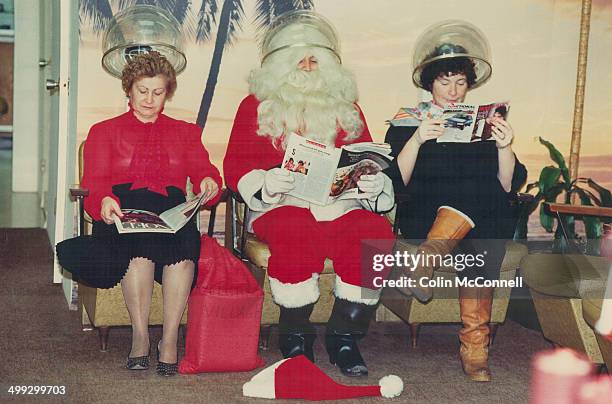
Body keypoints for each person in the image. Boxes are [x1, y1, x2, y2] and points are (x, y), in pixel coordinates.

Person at [223, 10, 395, 377]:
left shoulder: (348, 110)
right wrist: (265, 181)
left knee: (376, 236)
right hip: (282, 205)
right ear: (279, 66)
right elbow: (235, 167)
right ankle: (295, 337)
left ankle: (344, 338)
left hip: (341, 206)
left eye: (314, 60)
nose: (306, 67)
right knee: (296, 230)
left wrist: (374, 185)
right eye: (297, 60)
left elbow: (365, 159)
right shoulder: (254, 107)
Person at [57, 51, 222, 377]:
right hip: (123, 211)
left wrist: (209, 182)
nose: (149, 99)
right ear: (129, 90)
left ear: (167, 93)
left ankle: (170, 340)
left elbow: (204, 170)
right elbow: (96, 181)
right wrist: (104, 201)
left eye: (157, 92)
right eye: (142, 91)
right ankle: (141, 337)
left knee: (184, 251)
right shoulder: (104, 131)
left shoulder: (185, 132)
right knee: (138, 253)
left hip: (172, 211)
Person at [384, 22, 527, 382]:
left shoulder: (484, 123)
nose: (453, 91)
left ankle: (429, 265)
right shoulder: (406, 122)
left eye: (460, 82)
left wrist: (504, 145)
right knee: (479, 205)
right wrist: (417, 140)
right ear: (429, 82)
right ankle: (475, 345)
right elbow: (393, 181)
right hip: (425, 215)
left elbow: (509, 185)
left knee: (484, 211)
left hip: (479, 221)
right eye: (444, 81)